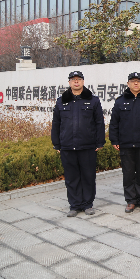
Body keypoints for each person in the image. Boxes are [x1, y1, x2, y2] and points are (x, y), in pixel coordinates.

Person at [51, 71, 105, 217]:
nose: (76, 82)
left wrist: (100, 142)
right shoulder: (61, 101)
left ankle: (87, 204)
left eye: (79, 79)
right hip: (67, 146)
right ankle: (74, 205)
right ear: (69, 82)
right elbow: (56, 123)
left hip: (88, 146)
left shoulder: (93, 100)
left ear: (83, 82)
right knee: (71, 177)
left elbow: (99, 122)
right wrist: (57, 143)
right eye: (73, 79)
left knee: (88, 176)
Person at [109, 72, 140, 213]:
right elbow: (114, 123)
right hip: (126, 143)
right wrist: (114, 139)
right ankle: (130, 200)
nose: (135, 83)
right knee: (128, 173)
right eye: (133, 81)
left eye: (138, 81)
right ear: (128, 83)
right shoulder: (120, 101)